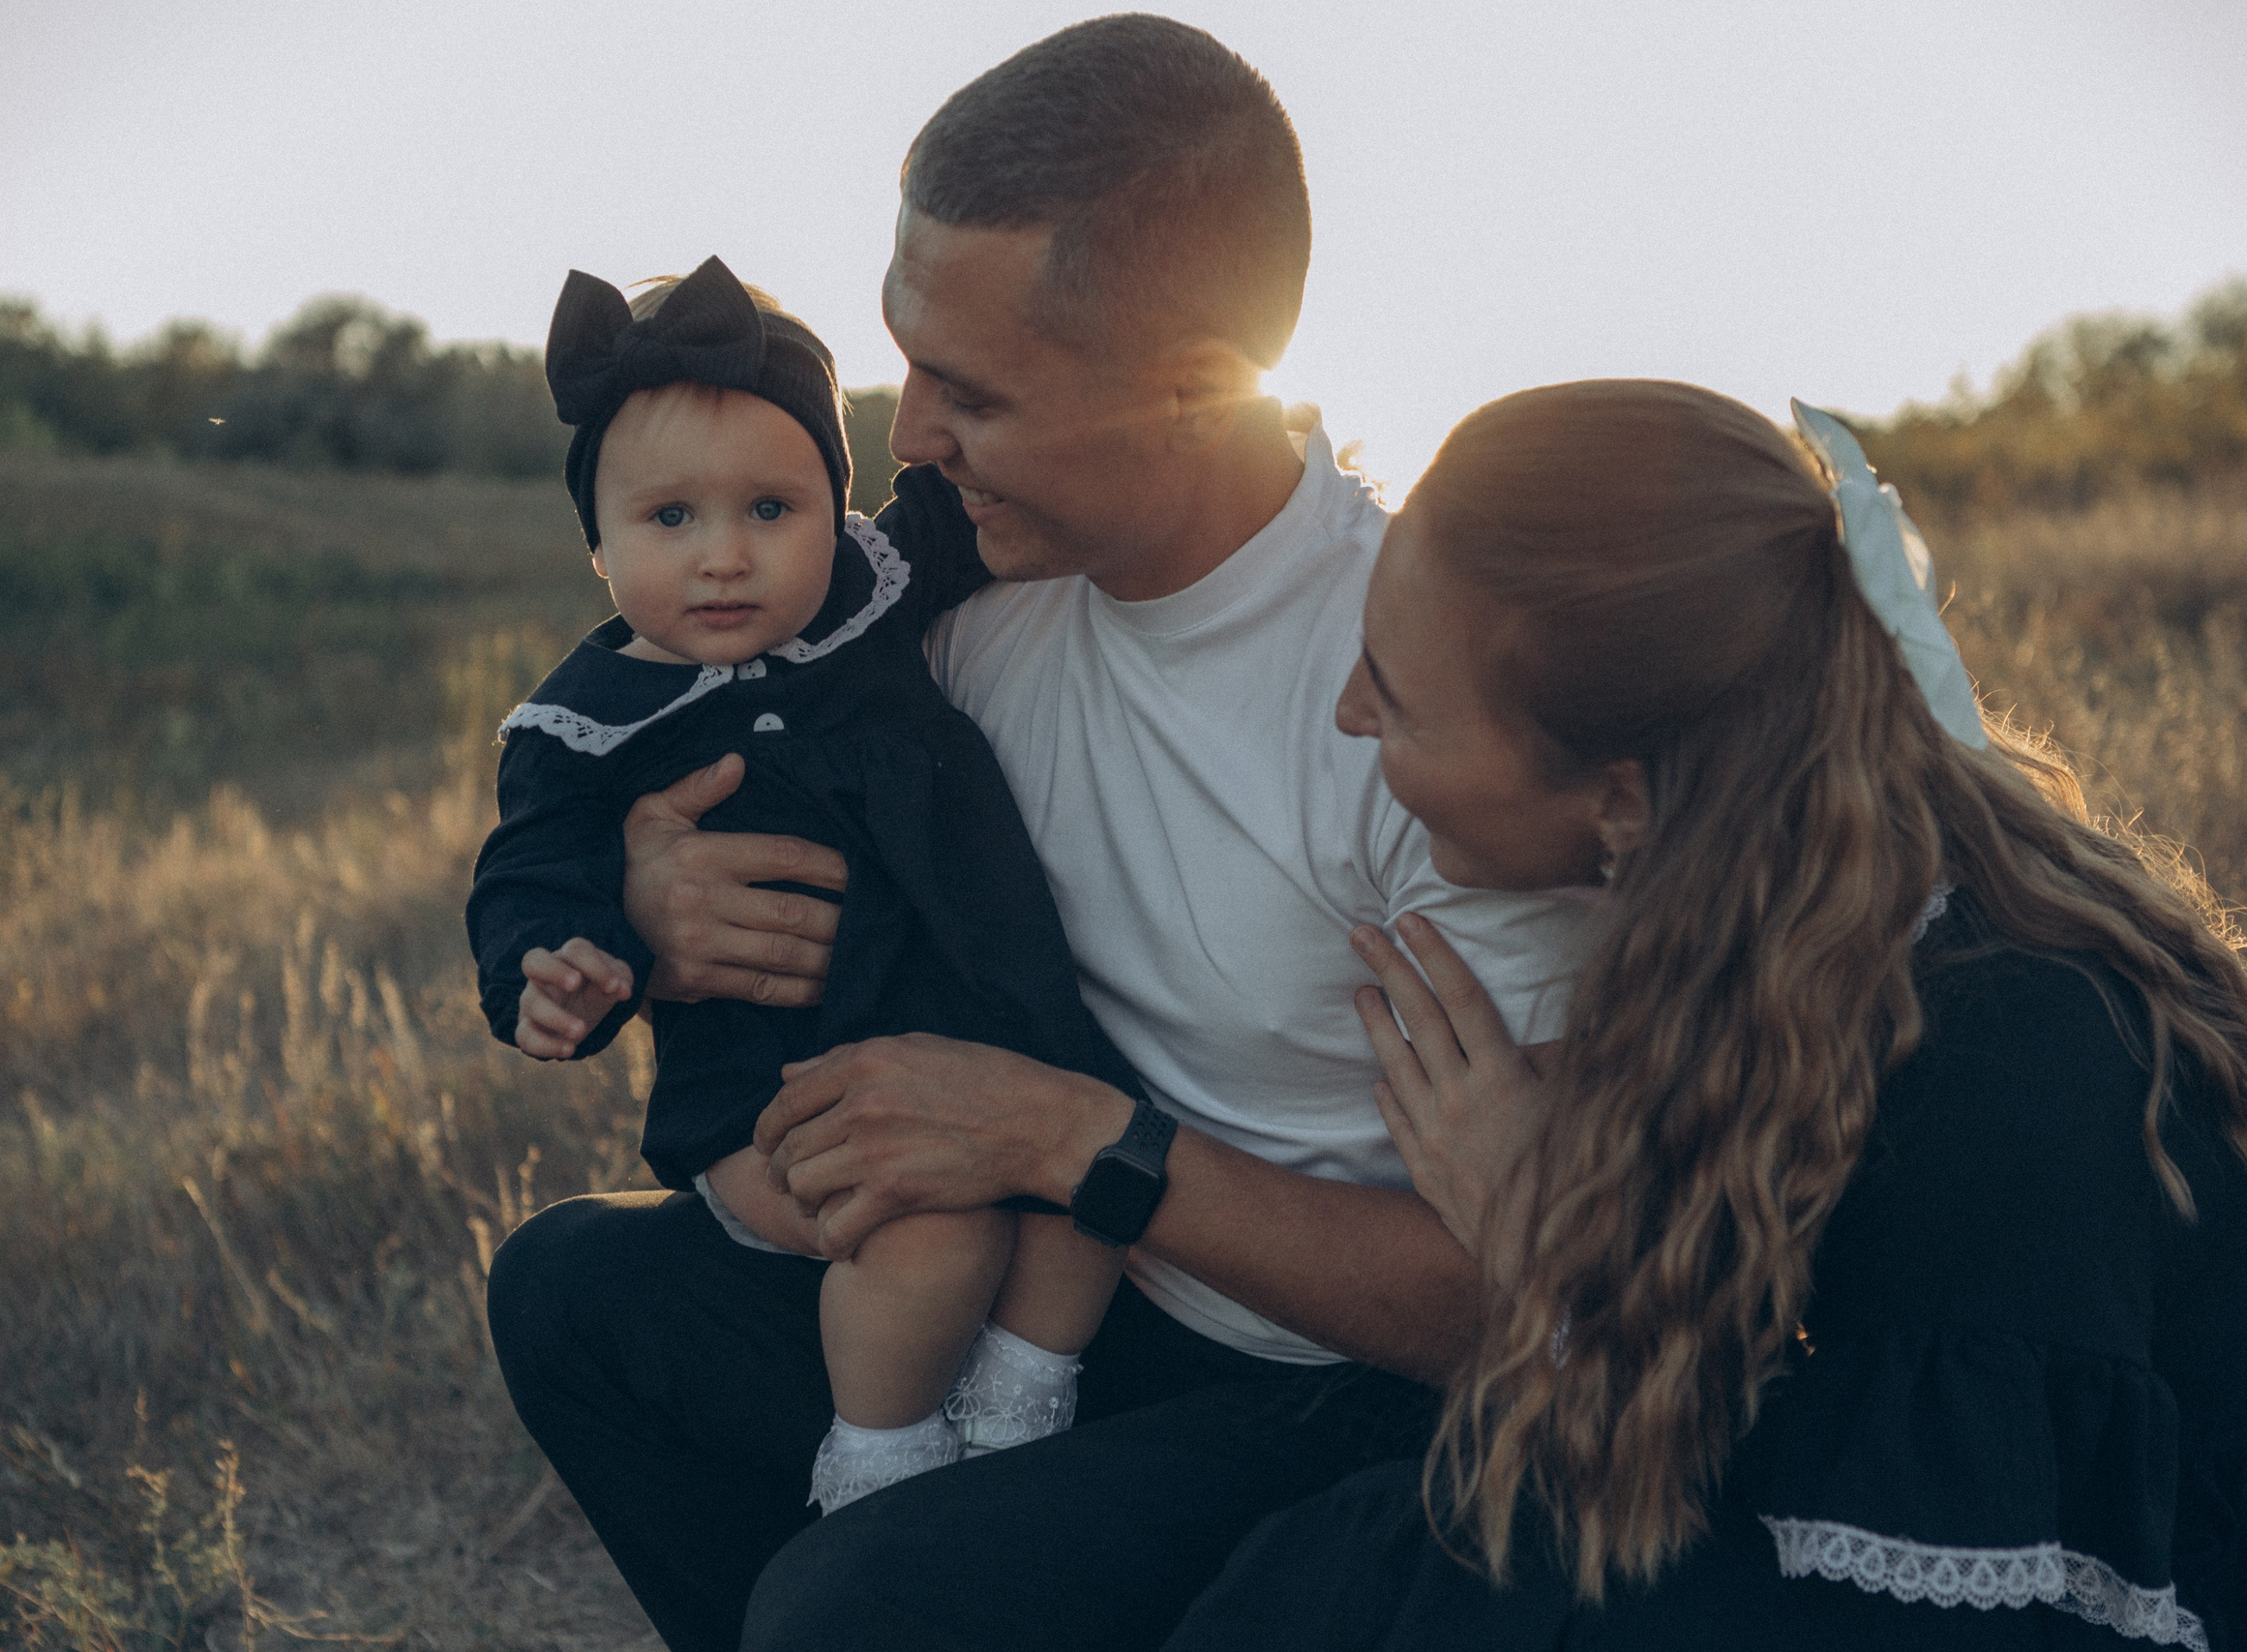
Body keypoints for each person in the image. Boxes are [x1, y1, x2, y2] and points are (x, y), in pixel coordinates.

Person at [482, 18, 1591, 1652]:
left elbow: (1527, 1307)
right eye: (904, 359)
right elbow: (698, 739)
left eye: (971, 392)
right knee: (575, 1295)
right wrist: (651, 895)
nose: (904, 431)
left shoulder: (1429, 699)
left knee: (854, 1606)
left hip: (1340, 1382)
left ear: (1190, 389)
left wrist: (1073, 1141)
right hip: (1026, 1283)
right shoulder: (939, 610)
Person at [1163, 380, 2247, 1651]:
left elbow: (1957, 1612)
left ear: (1621, 801)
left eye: (1399, 692)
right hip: (1909, 1514)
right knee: (1357, 1565)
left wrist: (1542, 1234)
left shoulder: (2004, 1069)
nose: (1348, 711)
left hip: (2134, 1594)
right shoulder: (1769, 904)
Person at [467, 255, 1147, 1516]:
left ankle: (1018, 1411)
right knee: (939, 1232)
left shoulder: (873, 602)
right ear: (600, 550)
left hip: (990, 1033)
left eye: (771, 510)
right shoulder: (586, 727)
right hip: (774, 1091)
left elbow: (971, 482)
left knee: (1097, 1190)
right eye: (670, 520)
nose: (725, 557)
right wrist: (557, 964)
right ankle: (880, 1465)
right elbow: (530, 878)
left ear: (838, 512)